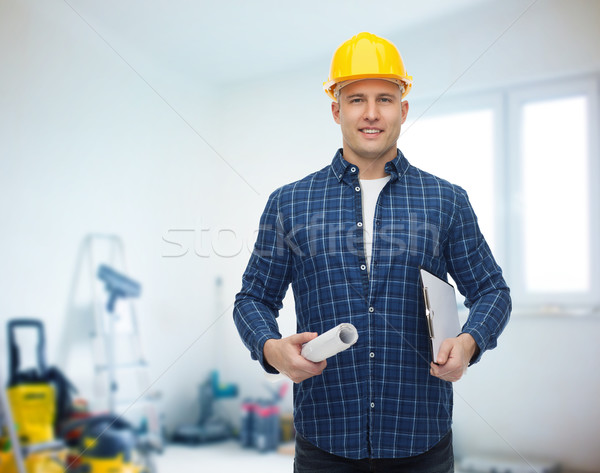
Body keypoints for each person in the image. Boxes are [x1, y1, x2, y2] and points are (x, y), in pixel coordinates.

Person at [233, 32, 511, 472]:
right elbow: (253, 299)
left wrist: (469, 341)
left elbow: (492, 291)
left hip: (420, 438)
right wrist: (271, 349)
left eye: (384, 98)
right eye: (356, 98)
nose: (371, 113)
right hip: (324, 438)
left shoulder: (445, 200)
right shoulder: (289, 203)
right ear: (335, 109)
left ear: (402, 108)